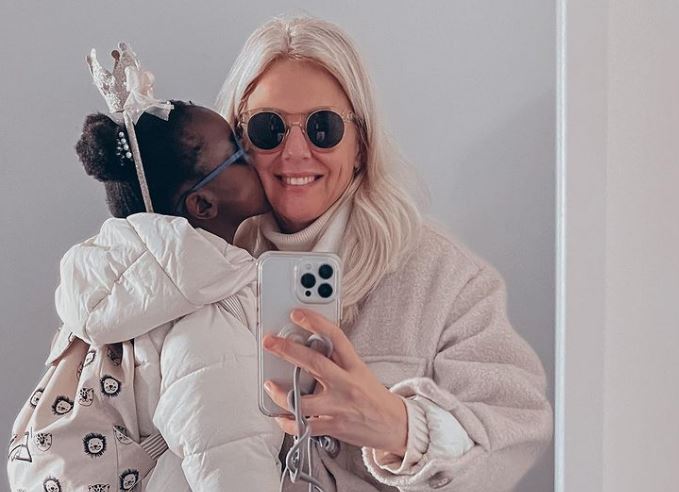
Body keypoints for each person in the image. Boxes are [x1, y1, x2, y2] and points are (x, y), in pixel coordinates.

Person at [217, 15, 554, 491]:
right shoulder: (202, 272)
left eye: (323, 127)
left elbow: (517, 431)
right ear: (238, 143)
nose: (294, 152)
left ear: (361, 144)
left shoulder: (445, 279)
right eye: (267, 128)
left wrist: (402, 429)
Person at [8, 94, 283, 490]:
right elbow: (232, 460)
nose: (256, 153)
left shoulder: (124, 290)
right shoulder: (205, 308)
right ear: (203, 204)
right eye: (238, 153)